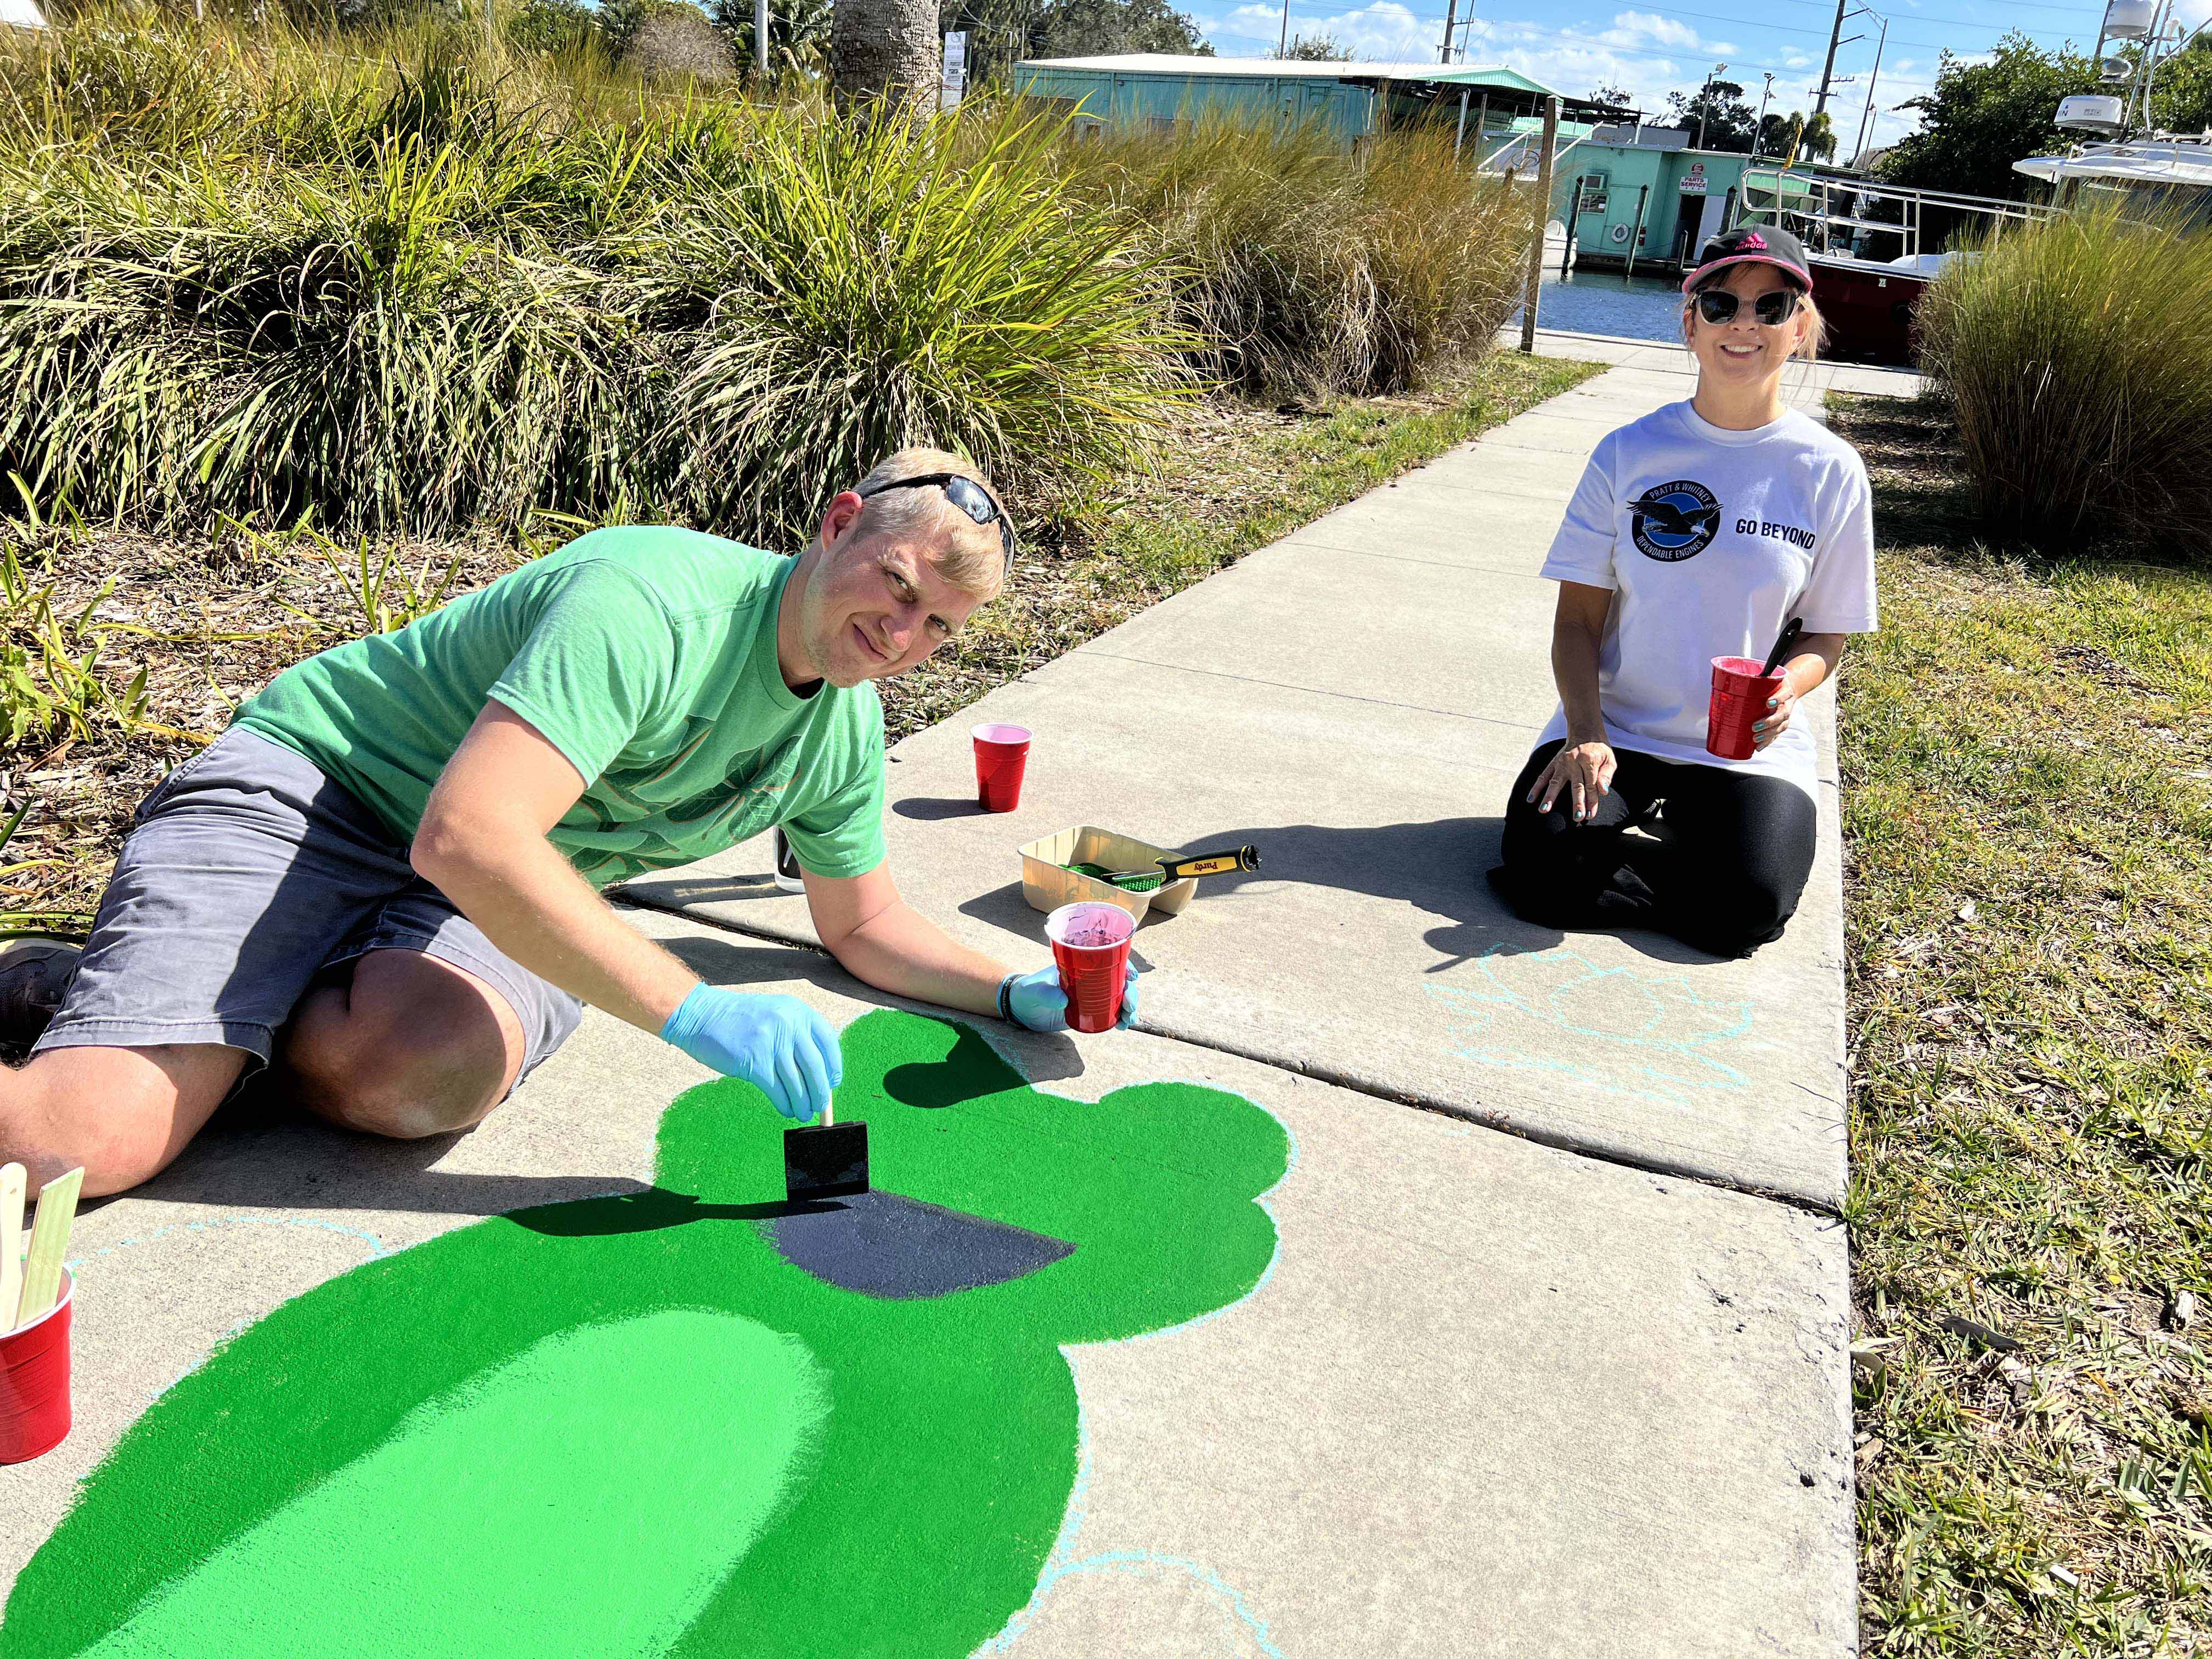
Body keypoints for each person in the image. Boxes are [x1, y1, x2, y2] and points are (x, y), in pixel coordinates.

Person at [0, 448, 1137, 1197]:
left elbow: (865, 923)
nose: (901, 634)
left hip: (495, 882)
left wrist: (1012, 989)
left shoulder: (840, 728)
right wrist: (690, 1009)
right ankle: (176, 1026)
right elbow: (470, 837)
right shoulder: (654, 604)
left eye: (938, 626)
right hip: (323, 796)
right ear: (838, 524)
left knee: (417, 1075)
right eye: (896, 584)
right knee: (79, 1145)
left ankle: (202, 1021)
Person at [1488, 225, 1877, 958]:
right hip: (1617, 730)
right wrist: (1584, 736)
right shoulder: (1629, 452)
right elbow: (1577, 622)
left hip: (1744, 751)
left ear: (1800, 326)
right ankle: (1656, 857)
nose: (1744, 323)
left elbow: (1828, 635)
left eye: (1772, 306)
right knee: (1539, 864)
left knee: (1750, 909)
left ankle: (1653, 856)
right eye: (1722, 301)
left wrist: (1788, 688)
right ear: (1691, 320)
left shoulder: (1829, 470)